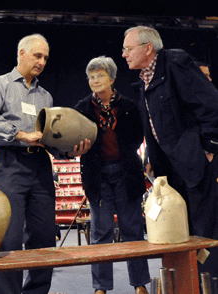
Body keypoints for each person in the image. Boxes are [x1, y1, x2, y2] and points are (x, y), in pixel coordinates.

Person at [0, 33, 90, 294]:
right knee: (9, 237)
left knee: (43, 236)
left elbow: (49, 139)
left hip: (40, 166)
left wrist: (71, 152)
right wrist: (20, 134)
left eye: (46, 58)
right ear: (21, 54)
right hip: (7, 164)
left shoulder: (46, 98)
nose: (42, 62)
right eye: (37, 55)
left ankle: (37, 291)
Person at [122, 25, 218, 279]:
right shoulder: (144, 82)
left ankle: (209, 284)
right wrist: (152, 160)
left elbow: (211, 106)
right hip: (170, 172)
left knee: (204, 232)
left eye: (128, 48)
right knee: (178, 232)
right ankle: (187, 284)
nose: (124, 54)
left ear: (148, 48)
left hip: (195, 165)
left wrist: (208, 149)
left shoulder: (176, 64)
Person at [73, 56, 150, 294]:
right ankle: (101, 287)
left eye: (100, 76)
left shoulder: (129, 106)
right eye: (91, 77)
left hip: (127, 174)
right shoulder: (82, 108)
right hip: (98, 176)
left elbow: (138, 137)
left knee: (133, 230)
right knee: (101, 233)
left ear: (112, 79)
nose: (95, 81)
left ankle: (139, 284)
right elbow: (75, 140)